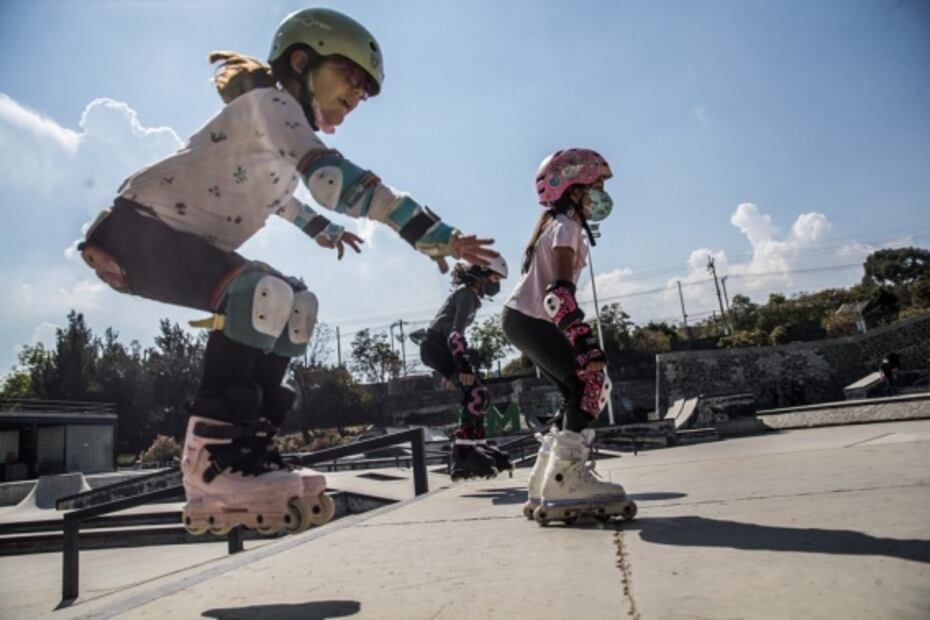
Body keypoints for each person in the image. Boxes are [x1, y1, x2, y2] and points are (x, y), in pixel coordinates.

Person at [77, 8, 496, 536]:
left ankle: (248, 450)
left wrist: (326, 231)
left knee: (297, 304)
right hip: (137, 232)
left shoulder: (273, 141)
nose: (357, 93)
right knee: (257, 291)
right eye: (349, 75)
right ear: (300, 62)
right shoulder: (271, 105)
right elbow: (332, 179)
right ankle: (210, 461)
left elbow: (284, 202)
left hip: (178, 242)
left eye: (364, 90)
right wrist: (430, 233)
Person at [501, 148, 636, 525]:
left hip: (524, 320)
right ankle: (567, 480)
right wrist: (584, 342)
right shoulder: (566, 227)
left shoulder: (559, 225)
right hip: (532, 319)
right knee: (591, 382)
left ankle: (546, 478)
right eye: (596, 187)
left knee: (575, 389)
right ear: (573, 189)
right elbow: (558, 295)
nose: (601, 195)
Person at [419, 258, 512, 480]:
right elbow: (455, 335)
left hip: (440, 349)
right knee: (477, 393)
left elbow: (452, 335)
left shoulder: (469, 297)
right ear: (482, 276)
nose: (496, 285)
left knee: (480, 395)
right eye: (495, 278)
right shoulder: (467, 295)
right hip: (437, 347)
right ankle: (463, 452)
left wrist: (453, 369)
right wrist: (462, 365)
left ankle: (475, 446)